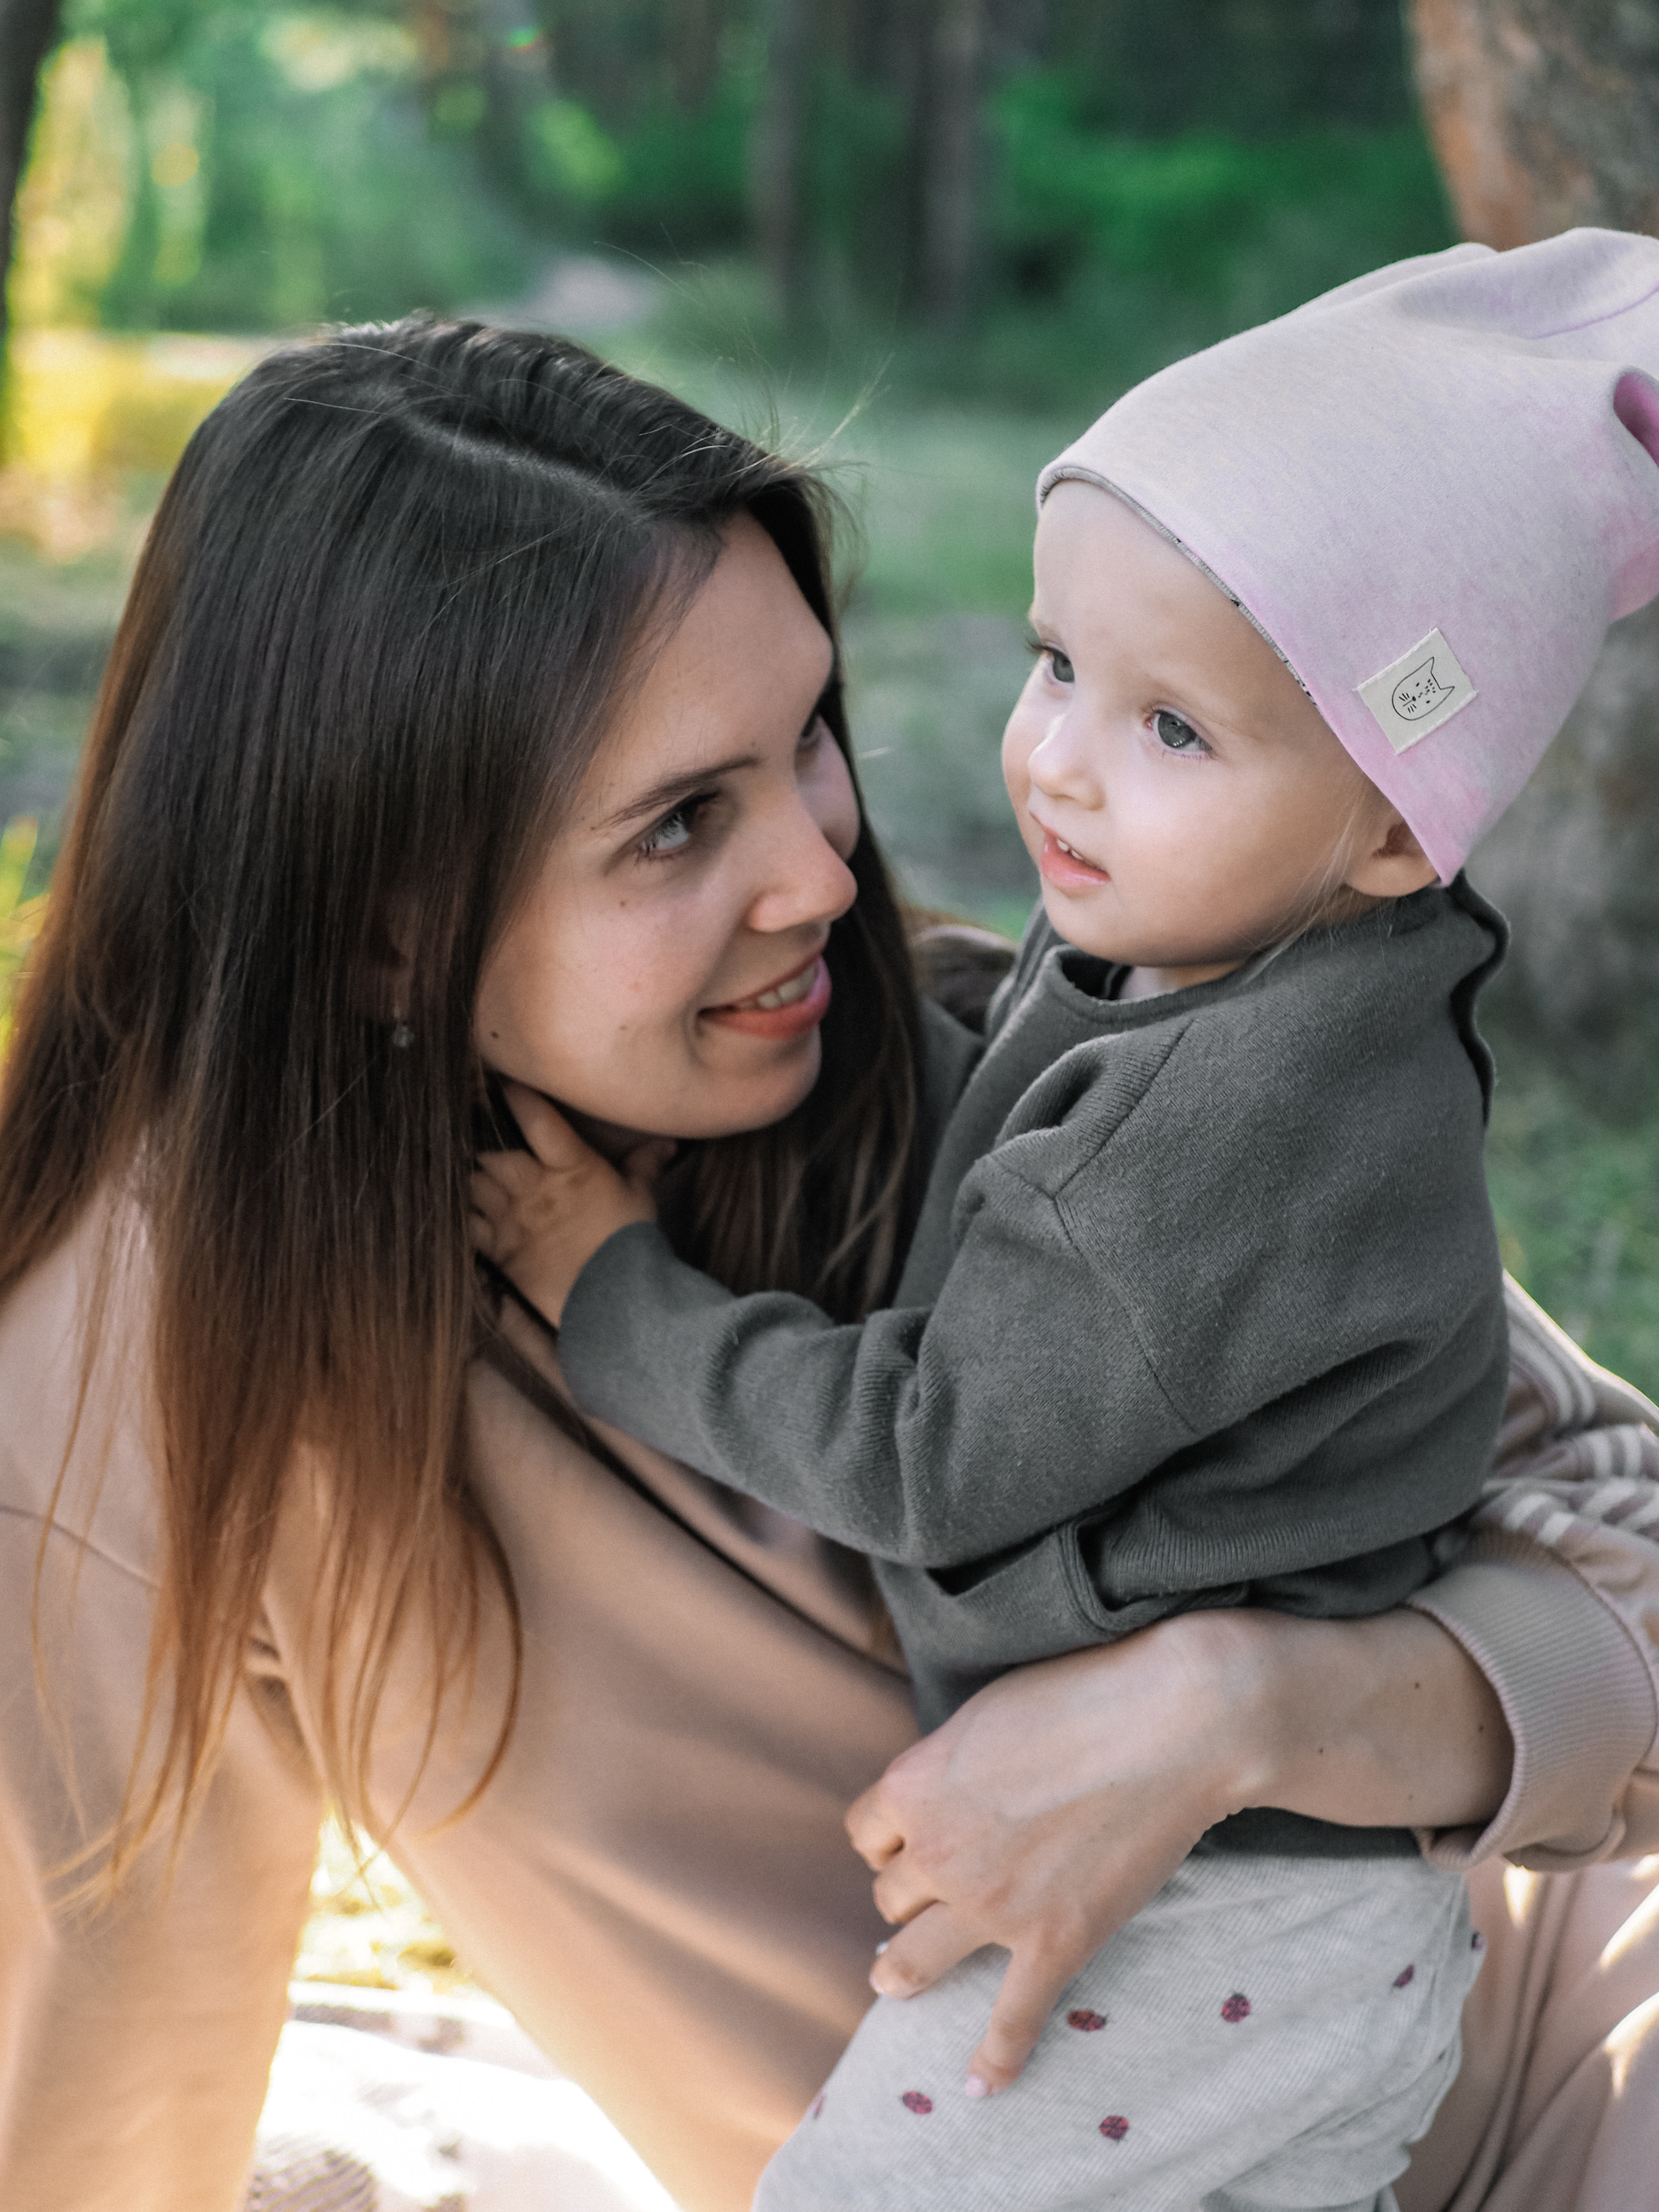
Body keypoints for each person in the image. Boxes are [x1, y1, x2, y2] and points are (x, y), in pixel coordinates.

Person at [0, 312, 1657, 2212]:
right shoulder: (147, 1360)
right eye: (678, 824)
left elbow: (1625, 1521)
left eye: (806, 738)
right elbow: (89, 2100)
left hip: (1553, 2073)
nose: (823, 873)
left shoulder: (1026, 1071)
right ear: (380, 929)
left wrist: (1243, 1714)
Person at [470, 229, 1659, 2211]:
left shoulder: (1214, 1141)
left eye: (1172, 730)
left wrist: (611, 1288)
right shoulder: (1285, 980)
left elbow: (927, 1457)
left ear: (1394, 824)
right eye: (1054, 664)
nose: (1056, 766)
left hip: (1205, 1927)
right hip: (1337, 1921)